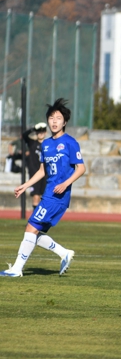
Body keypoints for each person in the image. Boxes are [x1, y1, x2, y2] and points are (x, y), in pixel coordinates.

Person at [1, 99, 85, 278]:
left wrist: (65, 183)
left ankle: (17, 269)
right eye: (51, 118)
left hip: (57, 197)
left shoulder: (70, 142)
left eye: (58, 118)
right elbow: (42, 171)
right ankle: (64, 253)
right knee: (35, 232)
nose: (54, 121)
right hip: (48, 194)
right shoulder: (46, 144)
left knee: (30, 228)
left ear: (65, 122)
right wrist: (25, 185)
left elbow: (81, 168)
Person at [22, 122, 48, 209]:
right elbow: (24, 135)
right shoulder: (32, 143)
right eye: (39, 132)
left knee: (45, 197)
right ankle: (35, 215)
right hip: (34, 173)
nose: (40, 134)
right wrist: (33, 128)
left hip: (46, 174)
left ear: (45, 133)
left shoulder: (48, 145)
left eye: (42, 132)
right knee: (36, 196)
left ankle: (43, 215)